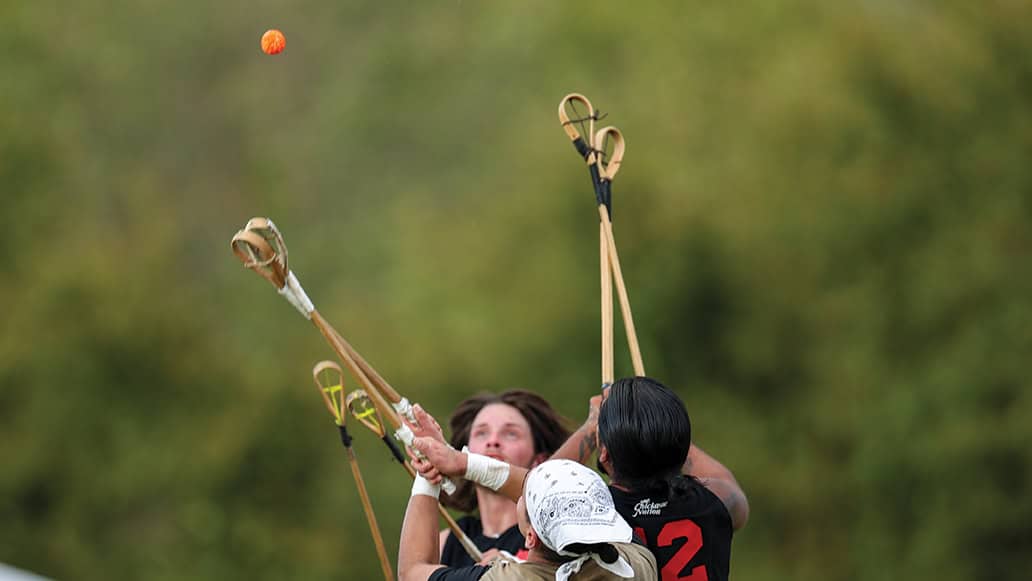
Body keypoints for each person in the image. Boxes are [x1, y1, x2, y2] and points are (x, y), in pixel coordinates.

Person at [408, 376, 749, 581]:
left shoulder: (597, 510)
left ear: (603, 456)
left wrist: (453, 463)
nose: (494, 440)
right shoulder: (713, 504)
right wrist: (648, 420)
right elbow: (728, 486)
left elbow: (544, 488)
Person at [398, 458, 658, 581]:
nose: (520, 494)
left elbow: (412, 572)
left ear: (530, 537)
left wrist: (427, 473)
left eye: (525, 497)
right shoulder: (637, 567)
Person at [438, 391, 571, 566]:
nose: (492, 441)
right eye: (481, 433)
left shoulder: (551, 538)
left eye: (510, 433)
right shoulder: (444, 543)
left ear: (539, 460)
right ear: (464, 451)